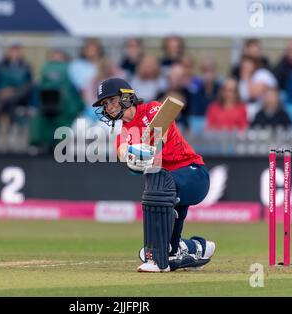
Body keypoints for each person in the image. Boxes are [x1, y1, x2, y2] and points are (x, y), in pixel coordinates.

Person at [92, 78, 215, 273]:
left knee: (159, 185)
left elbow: (162, 135)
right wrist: (131, 154)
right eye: (105, 105)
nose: (109, 107)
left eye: (112, 100)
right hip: (168, 184)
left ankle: (157, 255)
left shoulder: (152, 109)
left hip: (194, 174)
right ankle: (191, 247)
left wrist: (147, 147)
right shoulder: (123, 134)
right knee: (157, 187)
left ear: (126, 96)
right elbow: (123, 151)